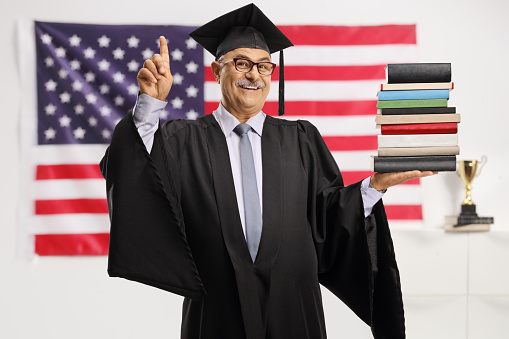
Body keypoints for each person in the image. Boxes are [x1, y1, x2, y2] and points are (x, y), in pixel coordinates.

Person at [100, 4, 435, 339]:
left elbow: (329, 218)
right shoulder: (181, 139)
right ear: (217, 70)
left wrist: (373, 187)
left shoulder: (301, 139)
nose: (254, 75)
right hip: (217, 310)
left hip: (293, 309)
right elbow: (133, 173)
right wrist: (149, 106)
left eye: (264, 66)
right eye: (242, 63)